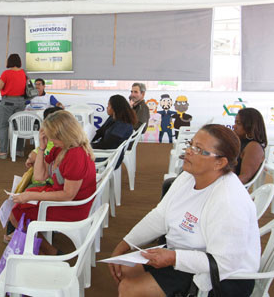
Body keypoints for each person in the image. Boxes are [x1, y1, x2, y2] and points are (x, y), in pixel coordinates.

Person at [109, 124, 260, 297]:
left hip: (224, 278)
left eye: (199, 149)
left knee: (129, 289)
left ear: (220, 162)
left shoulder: (228, 200)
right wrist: (123, 245)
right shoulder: (188, 176)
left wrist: (174, 258)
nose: (189, 151)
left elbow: (224, 263)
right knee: (123, 270)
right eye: (191, 144)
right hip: (186, 252)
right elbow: (160, 216)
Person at [8, 111, 96, 255]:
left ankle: (48, 251)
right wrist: (41, 148)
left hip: (73, 208)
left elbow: (68, 195)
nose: (50, 139)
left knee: (17, 213)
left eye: (52, 136)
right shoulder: (62, 147)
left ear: (64, 135)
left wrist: (32, 197)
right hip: (67, 200)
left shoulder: (75, 155)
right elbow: (40, 176)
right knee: (19, 206)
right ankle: (44, 249)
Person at [0, 53, 27, 159]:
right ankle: (19, 150)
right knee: (19, 126)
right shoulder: (23, 73)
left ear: (9, 62)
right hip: (21, 101)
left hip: (8, 101)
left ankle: (3, 151)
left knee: (3, 126)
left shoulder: (6, 73)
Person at [233, 108, 267, 185]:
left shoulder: (254, 147)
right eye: (235, 122)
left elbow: (245, 177)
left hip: (233, 189)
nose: (234, 126)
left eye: (238, 123)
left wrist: (221, 187)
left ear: (249, 126)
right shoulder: (241, 141)